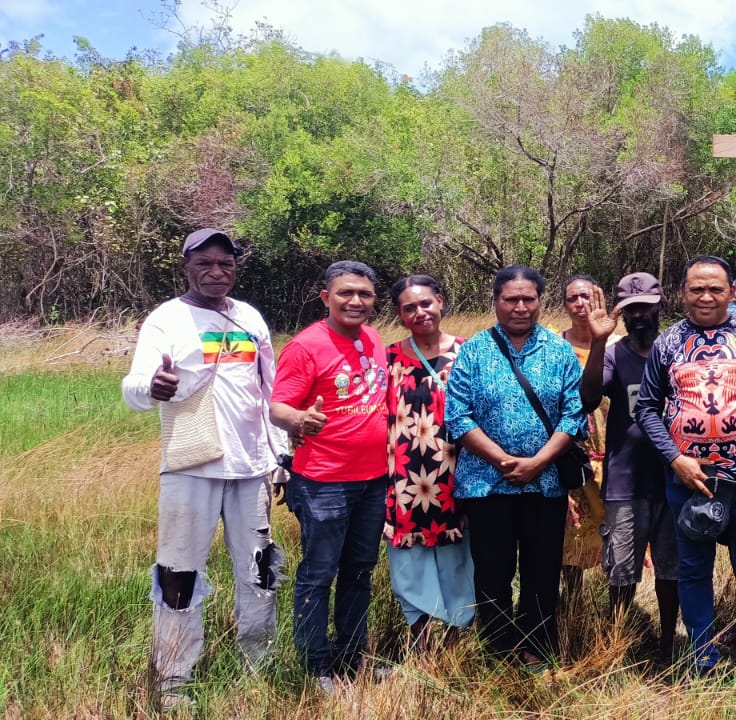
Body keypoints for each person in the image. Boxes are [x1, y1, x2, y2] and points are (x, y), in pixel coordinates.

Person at [122, 229, 284, 708]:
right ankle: (174, 680)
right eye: (205, 263)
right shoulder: (166, 320)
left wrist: (278, 458)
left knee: (259, 572)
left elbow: (269, 390)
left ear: (236, 267)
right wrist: (152, 388)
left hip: (251, 468)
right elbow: (134, 386)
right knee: (179, 575)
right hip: (190, 468)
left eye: (226, 263)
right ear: (185, 265)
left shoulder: (249, 317)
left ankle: (260, 667)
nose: (217, 272)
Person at [634, 256, 736, 674]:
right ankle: (703, 655)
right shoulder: (668, 344)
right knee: (694, 567)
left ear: (731, 292)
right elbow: (646, 408)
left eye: (716, 289)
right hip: (690, 477)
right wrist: (675, 458)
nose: (706, 296)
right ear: (682, 292)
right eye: (697, 288)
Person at [444, 266, 586, 667]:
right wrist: (504, 461)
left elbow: (574, 417)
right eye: (511, 299)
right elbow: (458, 417)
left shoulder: (559, 352)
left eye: (528, 299)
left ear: (540, 301)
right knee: (492, 572)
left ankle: (536, 649)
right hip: (487, 485)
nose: (520, 307)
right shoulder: (474, 350)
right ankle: (496, 649)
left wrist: (539, 462)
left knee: (542, 571)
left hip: (546, 485)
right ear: (496, 301)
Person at [270, 260, 390, 690]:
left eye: (364, 294)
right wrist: (300, 420)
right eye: (345, 293)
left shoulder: (374, 339)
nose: (355, 301)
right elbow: (277, 407)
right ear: (326, 298)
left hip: (374, 480)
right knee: (319, 574)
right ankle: (316, 665)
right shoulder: (306, 347)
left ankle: (352, 658)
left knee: (359, 570)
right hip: (323, 482)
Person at [575, 271, 681, 662]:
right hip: (626, 480)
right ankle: (615, 651)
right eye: (631, 309)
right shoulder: (615, 353)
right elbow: (587, 399)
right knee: (621, 572)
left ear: (659, 306)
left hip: (674, 479)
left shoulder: (677, 349)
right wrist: (599, 341)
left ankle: (669, 647)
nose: (639, 316)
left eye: (645, 308)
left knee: (671, 572)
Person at [383, 275, 474, 651]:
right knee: (410, 561)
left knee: (459, 560)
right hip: (404, 478)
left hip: (460, 474)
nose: (420, 312)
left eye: (426, 303)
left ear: (440, 301)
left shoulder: (470, 352)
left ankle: (453, 644)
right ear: (399, 314)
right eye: (409, 308)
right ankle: (420, 643)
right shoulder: (388, 358)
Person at [556, 276, 607, 622]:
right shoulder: (555, 346)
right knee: (571, 539)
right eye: (572, 298)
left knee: (617, 538)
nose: (579, 304)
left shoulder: (615, 346)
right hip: (573, 457)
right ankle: (573, 610)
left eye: (585, 296)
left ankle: (617, 617)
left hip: (612, 456)